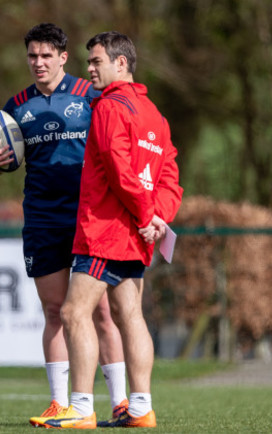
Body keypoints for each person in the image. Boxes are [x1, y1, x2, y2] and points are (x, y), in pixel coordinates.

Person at [0, 24, 128, 425]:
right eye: (32, 56)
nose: (38, 63)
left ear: (63, 57)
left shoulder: (92, 95)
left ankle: (121, 402)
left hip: (88, 219)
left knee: (102, 314)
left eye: (46, 56)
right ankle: (60, 403)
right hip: (43, 218)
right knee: (55, 311)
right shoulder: (15, 107)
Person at [30, 31, 183, 429]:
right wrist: (157, 218)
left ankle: (79, 409)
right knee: (130, 315)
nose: (90, 68)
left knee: (72, 312)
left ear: (121, 64)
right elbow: (170, 177)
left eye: (96, 61)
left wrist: (148, 212)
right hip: (137, 234)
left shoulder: (109, 107)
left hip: (104, 231)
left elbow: (118, 170)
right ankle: (140, 407)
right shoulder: (156, 116)